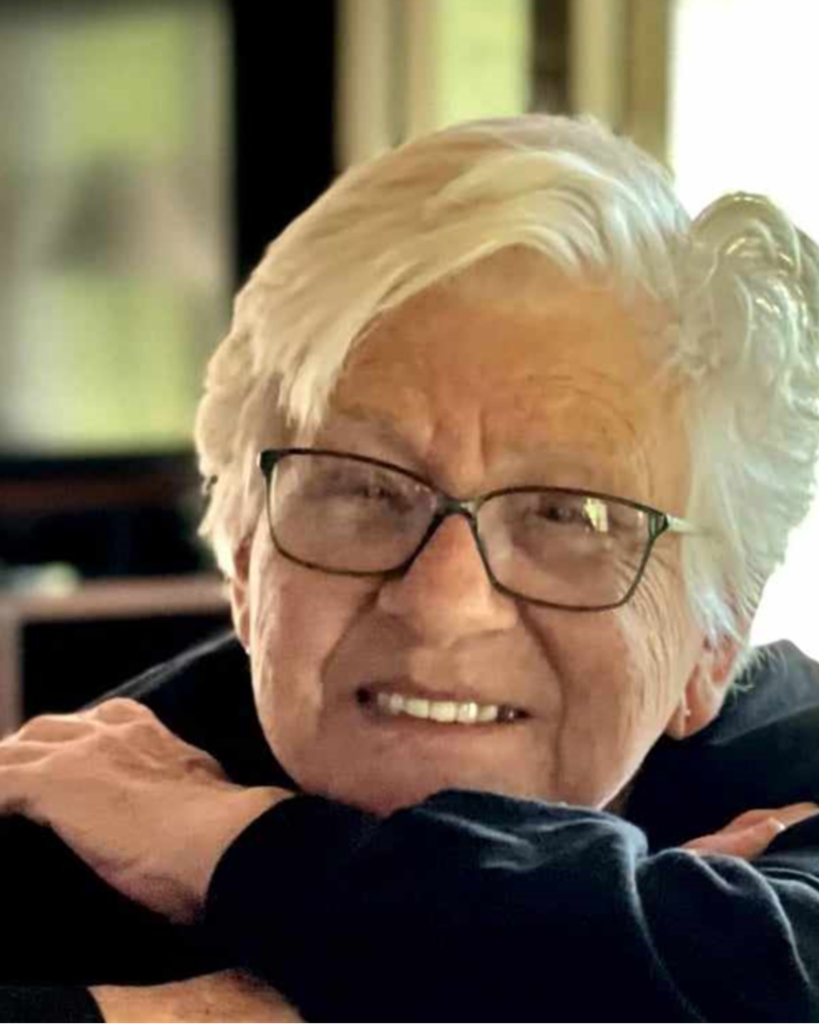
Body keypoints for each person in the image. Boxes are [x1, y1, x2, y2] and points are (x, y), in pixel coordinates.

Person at [0, 113, 818, 1023]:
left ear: (713, 640)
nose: (442, 602)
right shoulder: (85, 807)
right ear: (243, 561)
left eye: (568, 514)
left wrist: (228, 858)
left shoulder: (792, 768)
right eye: (364, 489)